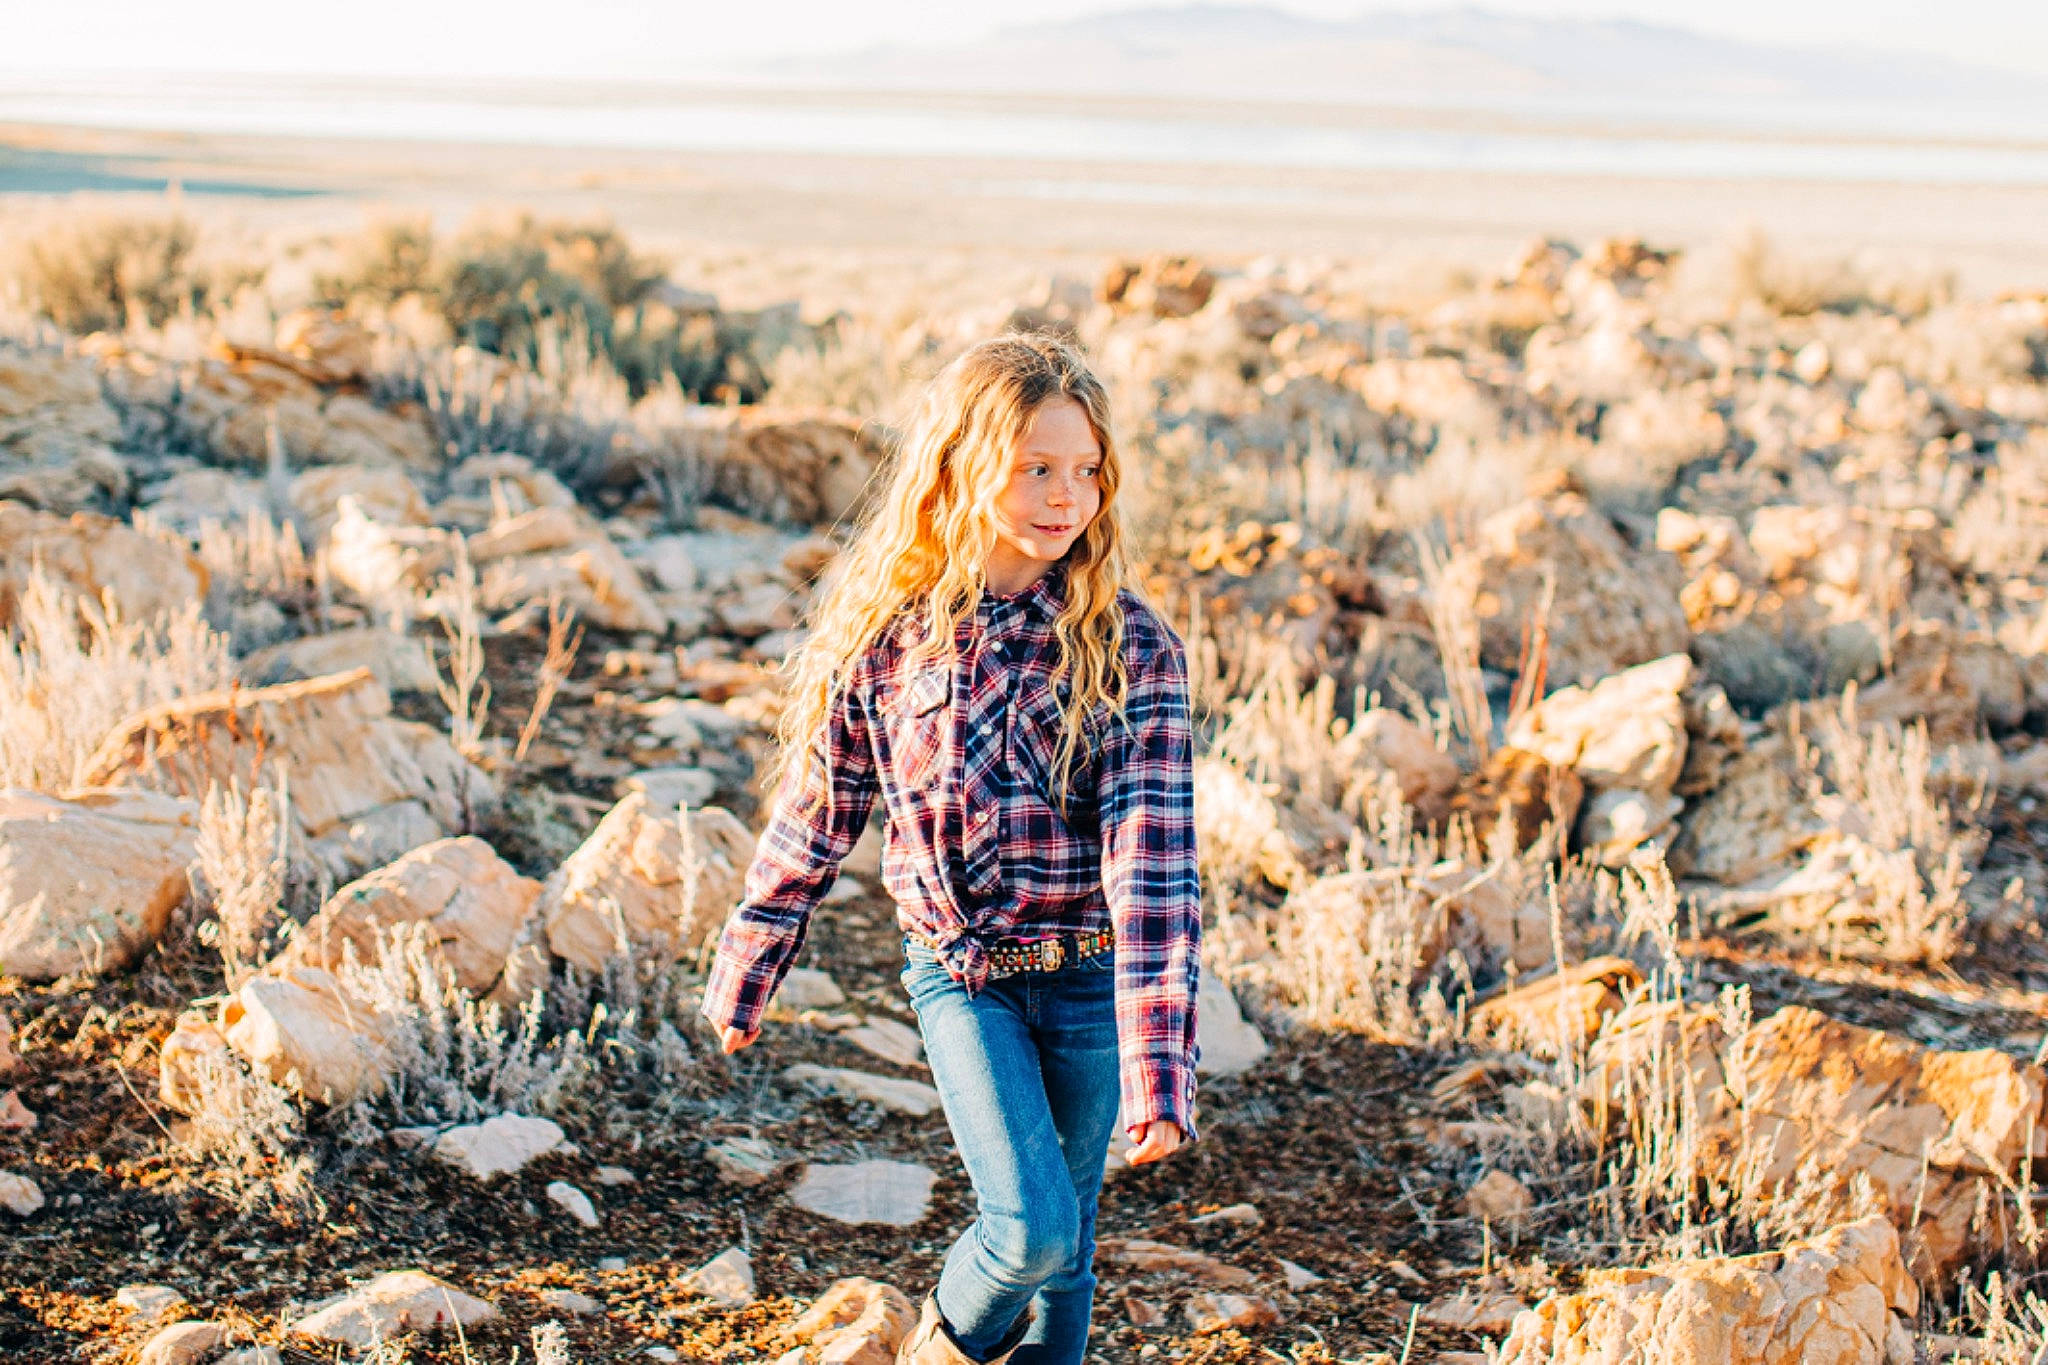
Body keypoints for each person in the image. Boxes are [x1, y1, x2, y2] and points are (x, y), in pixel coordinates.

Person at [700, 332, 1201, 1365]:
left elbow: (1151, 863)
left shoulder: (1131, 646)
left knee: (1067, 1259)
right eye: (1035, 467)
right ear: (960, 468)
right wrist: (753, 959)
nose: (1069, 496)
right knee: (1028, 1231)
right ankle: (942, 1350)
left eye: (1087, 469)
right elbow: (820, 809)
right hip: (963, 980)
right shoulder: (887, 638)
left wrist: (1161, 1057)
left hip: (1087, 979)